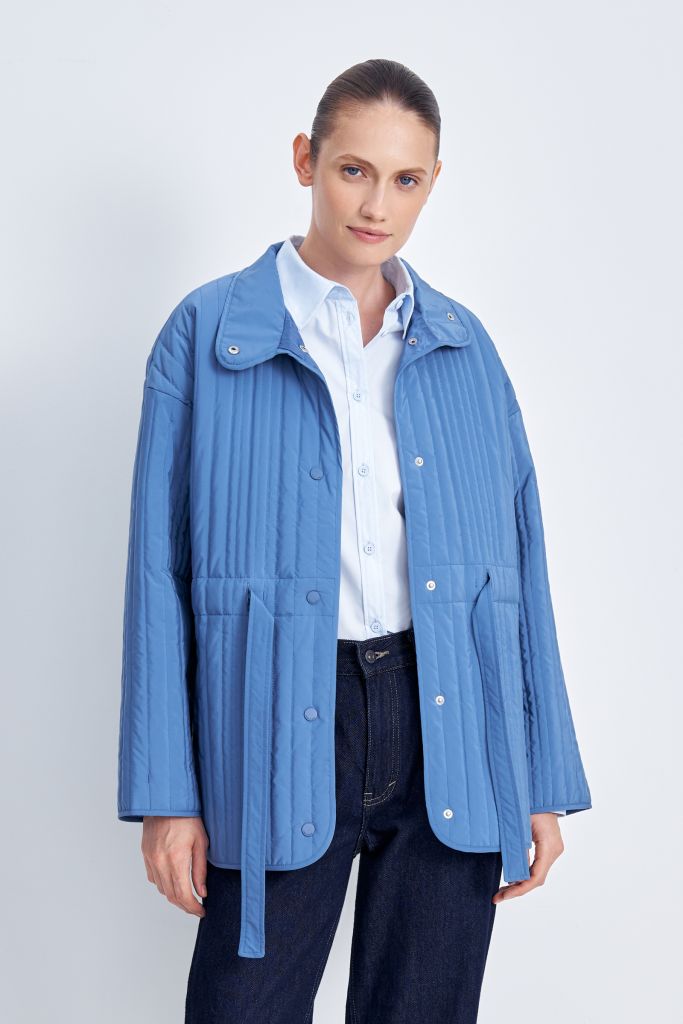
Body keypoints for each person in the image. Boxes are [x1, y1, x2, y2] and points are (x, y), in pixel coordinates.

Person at [117, 58, 592, 1023]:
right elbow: (156, 574)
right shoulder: (208, 335)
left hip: (448, 715)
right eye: (353, 170)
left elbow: (519, 569)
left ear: (432, 183)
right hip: (280, 715)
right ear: (306, 160)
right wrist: (168, 794)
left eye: (405, 179)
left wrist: (537, 777)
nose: (378, 205)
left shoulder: (462, 346)